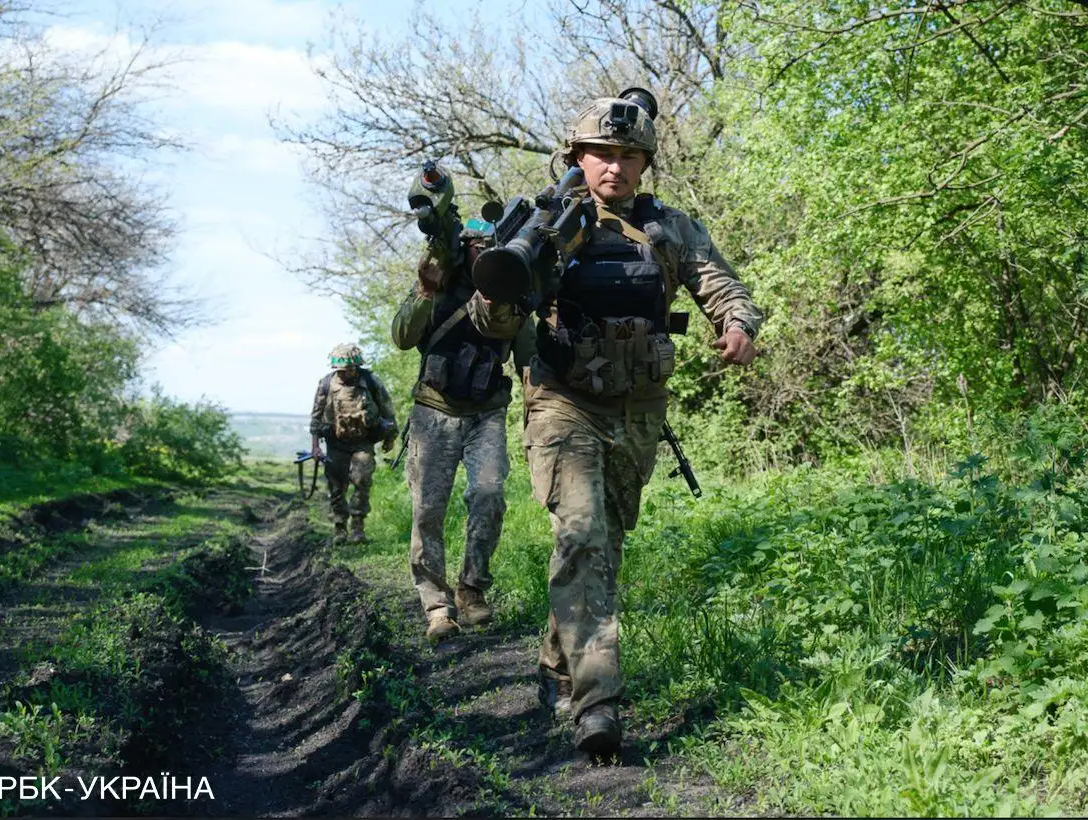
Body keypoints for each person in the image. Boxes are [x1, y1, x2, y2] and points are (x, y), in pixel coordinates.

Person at [466, 88, 762, 755]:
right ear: (577, 155)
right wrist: (509, 283)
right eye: (602, 153)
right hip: (562, 400)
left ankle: (556, 662)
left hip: (637, 407)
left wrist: (739, 324)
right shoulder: (544, 223)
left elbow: (722, 285)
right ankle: (598, 706)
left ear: (645, 162)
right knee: (581, 536)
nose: (615, 167)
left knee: (604, 544)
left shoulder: (669, 228)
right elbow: (492, 323)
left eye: (629, 155)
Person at [392, 221, 536, 642]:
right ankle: (437, 606)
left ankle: (471, 588)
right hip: (434, 413)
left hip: (487, 413)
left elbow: (528, 360)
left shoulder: (511, 291)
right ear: (463, 249)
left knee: (489, 495)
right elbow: (402, 336)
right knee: (427, 511)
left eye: (491, 246)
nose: (483, 253)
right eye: (477, 246)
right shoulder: (437, 287)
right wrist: (423, 290)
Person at [309, 343, 398, 545]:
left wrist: (390, 438)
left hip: (363, 442)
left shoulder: (370, 381)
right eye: (341, 370)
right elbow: (315, 417)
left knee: (362, 480)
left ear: (356, 366)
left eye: (349, 369)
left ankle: (358, 527)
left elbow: (387, 410)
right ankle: (340, 527)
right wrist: (315, 446)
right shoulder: (326, 384)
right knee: (336, 485)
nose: (345, 373)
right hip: (335, 442)